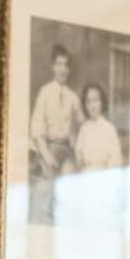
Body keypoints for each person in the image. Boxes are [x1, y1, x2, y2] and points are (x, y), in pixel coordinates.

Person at [28, 45, 82, 223]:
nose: (63, 69)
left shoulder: (73, 97)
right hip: (47, 149)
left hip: (66, 152)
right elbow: (36, 127)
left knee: (67, 200)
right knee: (43, 200)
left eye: (66, 65)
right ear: (53, 66)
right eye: (59, 64)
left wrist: (75, 145)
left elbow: (80, 126)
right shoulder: (45, 92)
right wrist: (46, 155)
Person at [75, 83, 123, 171]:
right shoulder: (84, 129)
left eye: (95, 100)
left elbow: (116, 161)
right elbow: (79, 156)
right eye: (88, 102)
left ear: (102, 102)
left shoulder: (109, 129)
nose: (92, 106)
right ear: (85, 105)